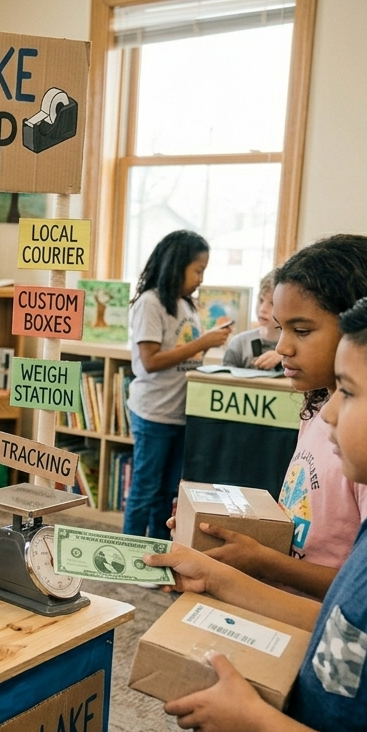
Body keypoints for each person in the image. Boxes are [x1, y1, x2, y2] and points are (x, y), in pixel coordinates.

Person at [144, 275, 367, 732]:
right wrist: (221, 579)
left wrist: (260, 723)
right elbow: (342, 631)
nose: (329, 411)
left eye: (350, 393)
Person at [186, 236, 367, 599]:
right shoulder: (319, 403)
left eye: (302, 331)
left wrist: (262, 561)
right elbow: (302, 512)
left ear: (364, 329)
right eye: (280, 328)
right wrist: (215, 524)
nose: (282, 348)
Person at [123, 230, 233, 540]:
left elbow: (183, 353)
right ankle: (129, 556)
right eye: (197, 270)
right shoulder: (150, 302)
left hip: (181, 412)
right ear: (177, 265)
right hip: (154, 412)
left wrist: (207, 344)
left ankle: (158, 552)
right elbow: (150, 361)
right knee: (145, 488)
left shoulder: (185, 305)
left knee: (168, 492)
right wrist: (202, 342)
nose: (201, 278)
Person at [222, 270, 283, 370]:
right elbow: (223, 382)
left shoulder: (297, 348)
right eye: (261, 300)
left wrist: (285, 357)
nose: (262, 309)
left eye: (272, 303)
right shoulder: (239, 344)